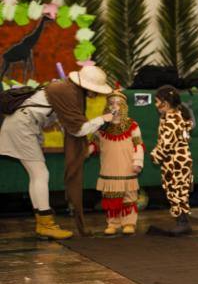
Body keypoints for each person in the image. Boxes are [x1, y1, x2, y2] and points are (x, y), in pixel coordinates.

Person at [0, 65, 113, 238]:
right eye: (95, 90)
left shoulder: (65, 87)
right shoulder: (68, 92)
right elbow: (78, 130)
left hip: (21, 125)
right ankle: (46, 224)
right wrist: (102, 119)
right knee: (40, 174)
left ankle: (42, 222)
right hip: (23, 127)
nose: (96, 94)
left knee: (36, 175)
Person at [88, 89, 144, 235]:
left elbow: (138, 145)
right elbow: (94, 144)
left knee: (128, 197)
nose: (114, 106)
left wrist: (138, 162)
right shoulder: (102, 127)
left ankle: (129, 223)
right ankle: (113, 223)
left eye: (118, 103)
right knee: (110, 196)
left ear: (124, 106)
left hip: (127, 168)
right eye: (111, 103)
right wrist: (86, 151)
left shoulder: (132, 125)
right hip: (109, 168)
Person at [147, 85, 194, 236]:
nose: (156, 105)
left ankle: (183, 222)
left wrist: (155, 155)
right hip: (177, 161)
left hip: (176, 162)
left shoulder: (172, 120)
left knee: (177, 190)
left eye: (157, 101)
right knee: (177, 190)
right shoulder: (175, 117)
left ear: (165, 103)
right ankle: (182, 221)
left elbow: (166, 143)